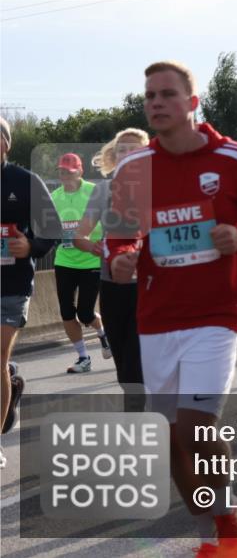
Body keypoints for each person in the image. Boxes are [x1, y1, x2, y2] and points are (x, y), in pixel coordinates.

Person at [107, 61, 237, 557]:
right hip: (158, 315)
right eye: (149, 96)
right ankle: (209, 532)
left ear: (192, 103)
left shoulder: (234, 158)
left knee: (194, 422)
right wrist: (121, 258)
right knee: (168, 436)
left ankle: (229, 523)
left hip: (218, 312)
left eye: (167, 94)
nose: (156, 103)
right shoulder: (133, 168)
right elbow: (118, 236)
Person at [75, 128, 150, 410]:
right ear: (114, 155)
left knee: (134, 361)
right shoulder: (103, 191)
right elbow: (80, 235)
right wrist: (90, 245)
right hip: (111, 286)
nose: (127, 155)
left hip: (146, 287)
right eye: (122, 150)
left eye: (134, 150)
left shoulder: (157, 189)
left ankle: (138, 421)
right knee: (123, 362)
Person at [1, 117, 61, 455]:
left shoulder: (24, 181)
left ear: (6, 143)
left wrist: (31, 247)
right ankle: (9, 381)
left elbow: (51, 229)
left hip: (12, 284)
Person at [50, 152, 110, 373]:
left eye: (70, 171)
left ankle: (103, 334)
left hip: (91, 260)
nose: (65, 175)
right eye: (62, 171)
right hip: (64, 260)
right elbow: (48, 226)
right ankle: (83, 358)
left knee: (85, 313)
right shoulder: (54, 197)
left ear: (80, 171)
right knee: (66, 311)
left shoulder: (94, 193)